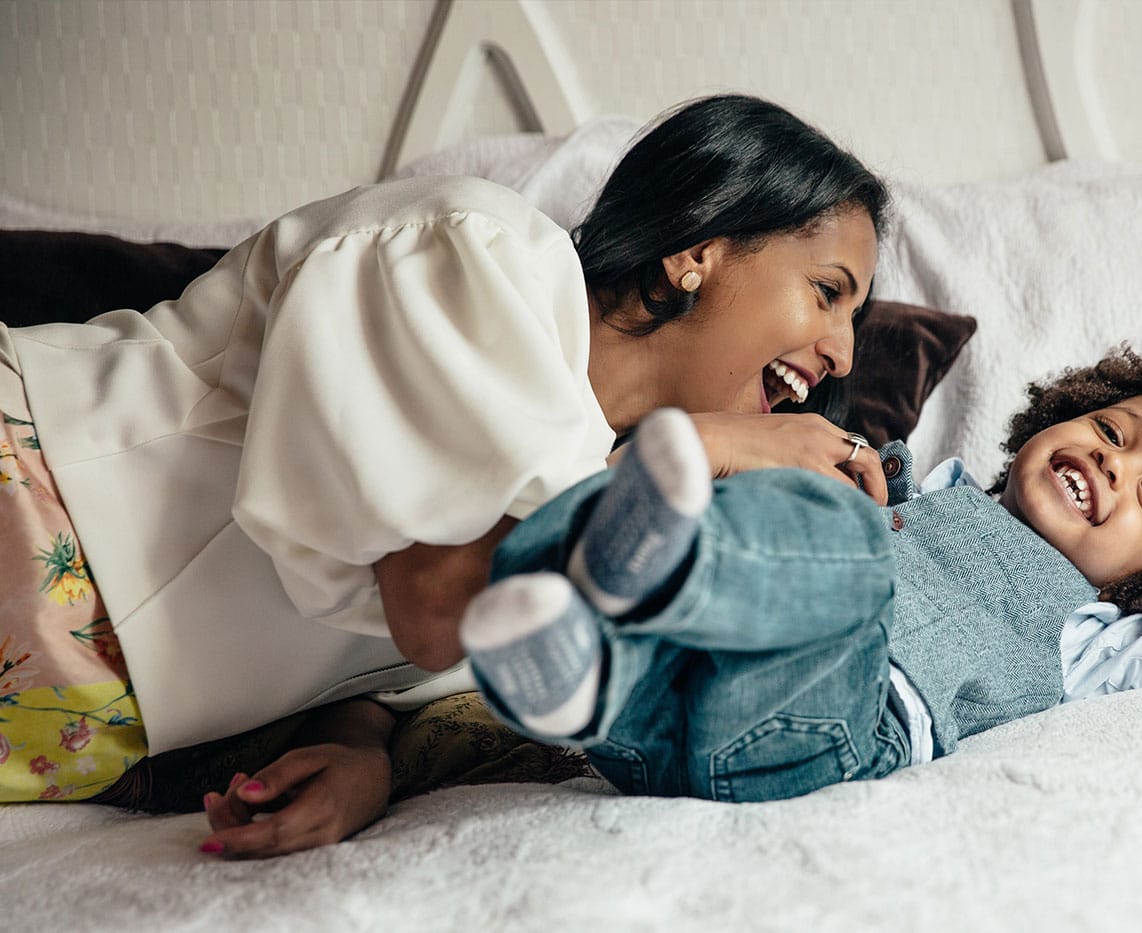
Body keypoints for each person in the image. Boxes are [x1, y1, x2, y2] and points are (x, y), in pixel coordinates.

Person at [0, 96, 895, 841]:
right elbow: (432, 595)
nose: (845, 356)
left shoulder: (612, 518)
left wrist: (362, 757)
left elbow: (394, 664)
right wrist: (705, 446)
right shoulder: (476, 251)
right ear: (700, 245)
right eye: (828, 291)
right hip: (30, 499)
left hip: (56, 741)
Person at [459, 344, 1142, 801]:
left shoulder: (1104, 640)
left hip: (828, 726)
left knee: (849, 556)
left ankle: (643, 573)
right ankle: (573, 672)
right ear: (1061, 414)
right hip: (670, 717)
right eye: (1114, 431)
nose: (1115, 464)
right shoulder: (913, 480)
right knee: (784, 517)